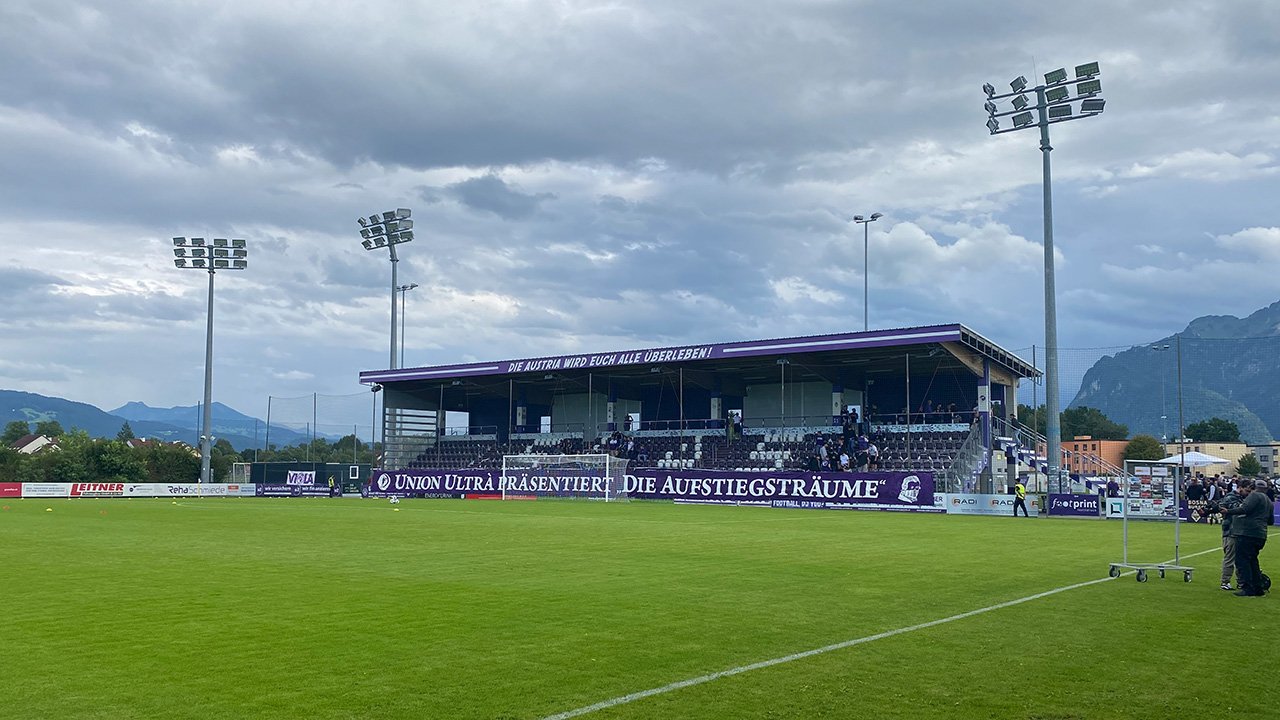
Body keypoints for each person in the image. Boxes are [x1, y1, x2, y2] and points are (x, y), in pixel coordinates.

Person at [1220, 479, 1274, 596]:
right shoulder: (1268, 501)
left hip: (1247, 533)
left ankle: (1247, 588)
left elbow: (1244, 509)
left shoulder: (1254, 496)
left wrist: (1228, 511)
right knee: (1253, 561)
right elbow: (1271, 521)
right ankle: (1258, 588)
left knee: (1242, 561)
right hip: (1261, 534)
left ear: (1253, 487)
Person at [1215, 480, 1246, 591]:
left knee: (1240, 558)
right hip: (1230, 531)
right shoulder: (1230, 497)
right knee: (1229, 558)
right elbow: (1221, 509)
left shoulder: (1243, 498)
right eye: (1246, 489)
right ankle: (1225, 581)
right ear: (1241, 487)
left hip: (1239, 531)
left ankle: (1241, 581)